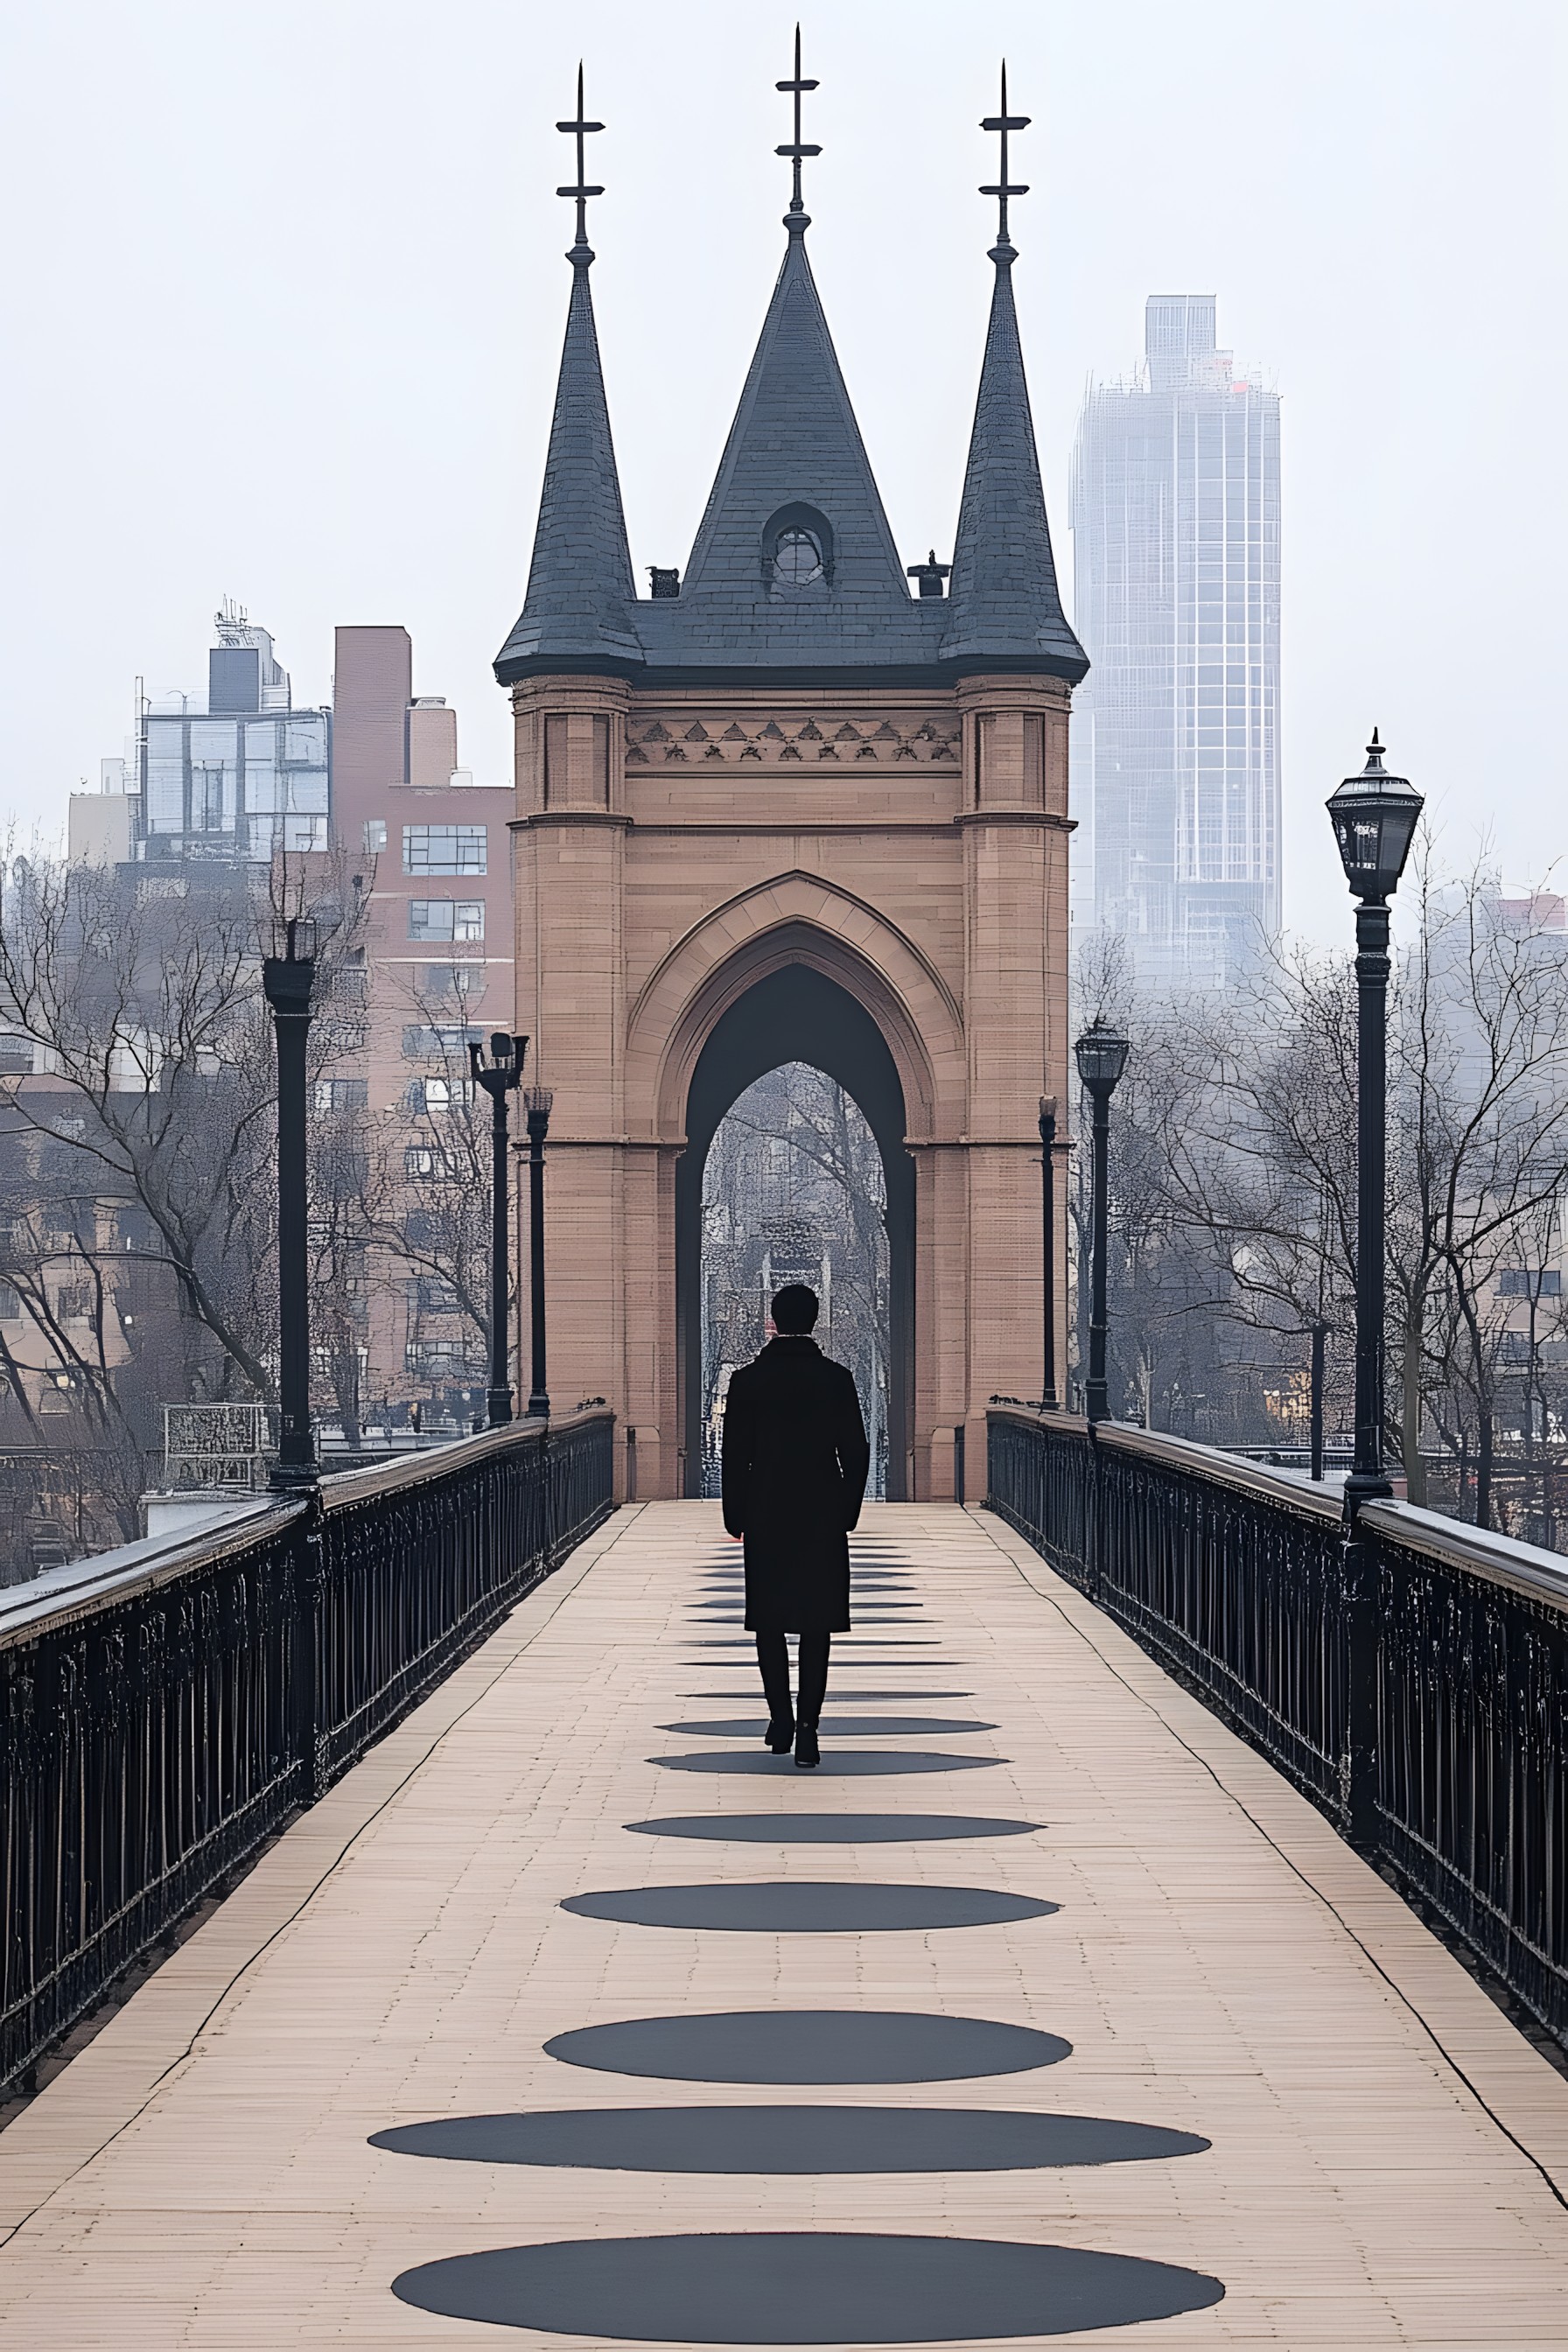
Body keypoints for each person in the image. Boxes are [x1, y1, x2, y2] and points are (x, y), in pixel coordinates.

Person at [720, 1283, 871, 1768]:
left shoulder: (746, 1382)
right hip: (821, 1514)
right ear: (815, 1319)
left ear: (774, 1320)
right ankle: (809, 1728)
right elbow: (856, 1452)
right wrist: (847, 1510)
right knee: (815, 1626)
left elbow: (735, 1457)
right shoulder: (837, 1379)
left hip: (766, 1512)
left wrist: (735, 1513)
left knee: (768, 1622)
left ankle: (779, 1718)